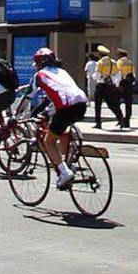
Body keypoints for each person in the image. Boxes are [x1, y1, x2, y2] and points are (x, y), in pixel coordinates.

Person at [29, 47, 89, 189]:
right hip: (82, 104)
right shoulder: (62, 72)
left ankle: (65, 172)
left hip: (65, 108)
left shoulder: (40, 75)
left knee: (48, 142)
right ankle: (70, 162)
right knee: (62, 130)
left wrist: (16, 116)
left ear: (39, 63)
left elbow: (27, 96)